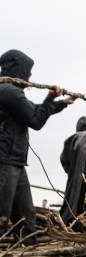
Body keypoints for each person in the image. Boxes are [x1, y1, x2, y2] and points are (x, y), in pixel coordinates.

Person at [0, 50, 78, 246]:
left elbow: (33, 108)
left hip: (15, 161)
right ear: (18, 68)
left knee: (26, 215)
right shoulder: (8, 91)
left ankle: (26, 256)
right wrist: (50, 99)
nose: (30, 76)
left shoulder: (11, 92)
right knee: (1, 215)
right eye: (28, 70)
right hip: (4, 161)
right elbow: (35, 120)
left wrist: (62, 103)